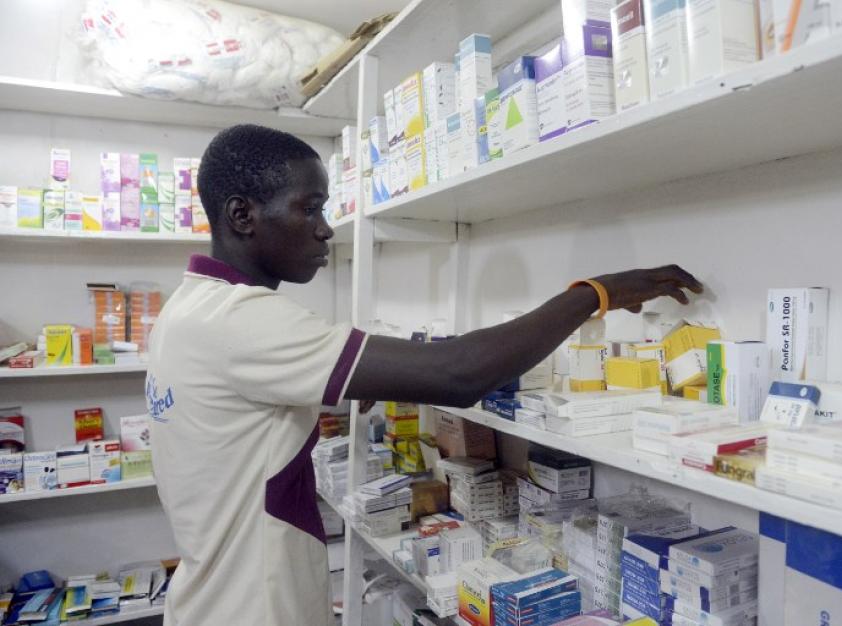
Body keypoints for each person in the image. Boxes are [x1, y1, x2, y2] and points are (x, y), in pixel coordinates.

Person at [146, 124, 703, 626]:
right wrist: (595, 294)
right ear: (243, 215)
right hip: (254, 609)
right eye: (309, 209)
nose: (324, 231)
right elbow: (460, 373)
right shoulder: (241, 321)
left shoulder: (186, 311)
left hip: (209, 595)